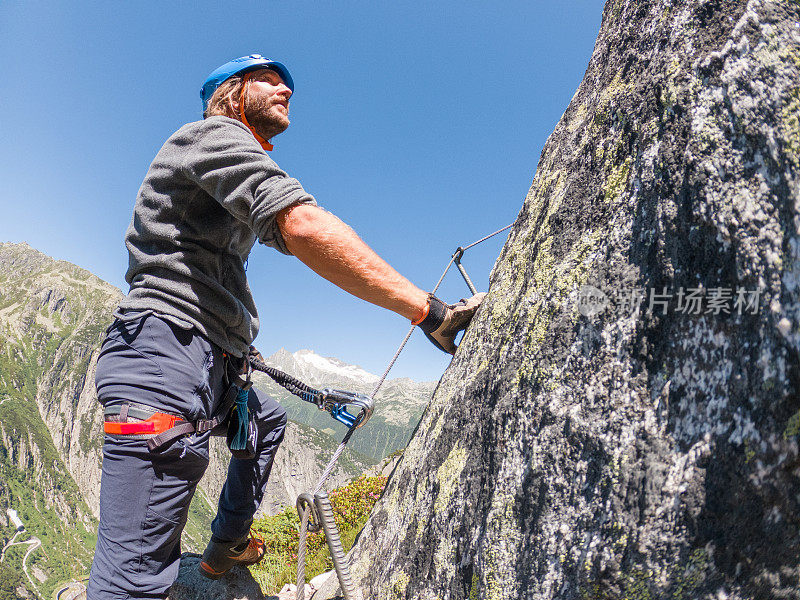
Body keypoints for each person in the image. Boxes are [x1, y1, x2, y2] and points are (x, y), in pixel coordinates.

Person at [86, 54, 485, 599]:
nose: (286, 89)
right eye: (270, 80)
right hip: (162, 357)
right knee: (131, 579)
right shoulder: (212, 136)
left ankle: (227, 541)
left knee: (266, 420)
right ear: (231, 93)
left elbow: (279, 229)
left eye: (287, 83)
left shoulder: (224, 174)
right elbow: (300, 224)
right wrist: (426, 309)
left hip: (207, 359)